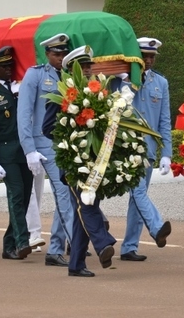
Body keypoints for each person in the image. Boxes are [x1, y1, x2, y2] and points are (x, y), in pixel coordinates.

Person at [43, 45, 117, 277]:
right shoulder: (63, 95)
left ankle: (76, 264)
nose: (87, 70)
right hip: (74, 161)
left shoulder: (97, 94)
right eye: (81, 66)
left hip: (94, 161)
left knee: (81, 212)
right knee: (87, 204)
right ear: (70, 70)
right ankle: (103, 243)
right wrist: (72, 131)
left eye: (88, 66)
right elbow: (47, 127)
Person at [17, 34, 73, 267]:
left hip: (66, 145)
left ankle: (56, 249)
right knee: (63, 193)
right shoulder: (35, 75)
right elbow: (24, 114)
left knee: (67, 194)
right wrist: (29, 149)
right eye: (56, 54)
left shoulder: (70, 76)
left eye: (63, 54)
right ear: (47, 54)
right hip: (43, 145)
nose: (60, 58)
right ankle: (78, 240)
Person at [116, 37, 172, 262]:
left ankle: (129, 247)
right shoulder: (120, 80)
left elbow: (165, 121)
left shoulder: (161, 83)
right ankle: (157, 227)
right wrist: (126, 82)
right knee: (138, 192)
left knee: (137, 197)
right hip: (126, 148)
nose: (148, 61)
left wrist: (167, 153)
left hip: (148, 150)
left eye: (152, 57)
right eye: (144, 56)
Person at [0, 46, 34, 260]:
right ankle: (22, 241)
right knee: (16, 195)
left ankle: (8, 244)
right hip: (5, 152)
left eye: (10, 65)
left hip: (24, 151)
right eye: (3, 66)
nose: (8, 69)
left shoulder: (20, 88)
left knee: (25, 197)